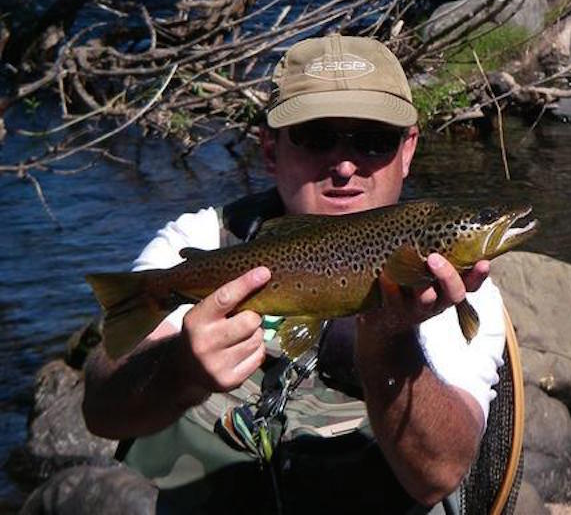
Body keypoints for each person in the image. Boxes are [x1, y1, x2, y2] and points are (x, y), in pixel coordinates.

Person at [82, 34, 508, 514]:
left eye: (374, 141)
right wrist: (179, 368)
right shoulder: (204, 239)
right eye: (316, 137)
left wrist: (390, 344)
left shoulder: (449, 283)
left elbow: (437, 476)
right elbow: (101, 410)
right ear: (270, 148)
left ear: (407, 150)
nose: (344, 165)